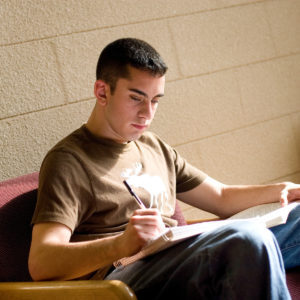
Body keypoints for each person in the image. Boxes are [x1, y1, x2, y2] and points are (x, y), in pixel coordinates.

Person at [29, 38, 300, 299]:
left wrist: (281, 190)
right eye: (136, 98)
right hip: (125, 274)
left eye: (155, 100)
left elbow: (220, 197)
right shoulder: (69, 160)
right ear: (102, 92)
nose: (148, 113)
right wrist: (121, 244)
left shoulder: (152, 145)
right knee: (249, 238)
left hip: (180, 255)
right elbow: (42, 262)